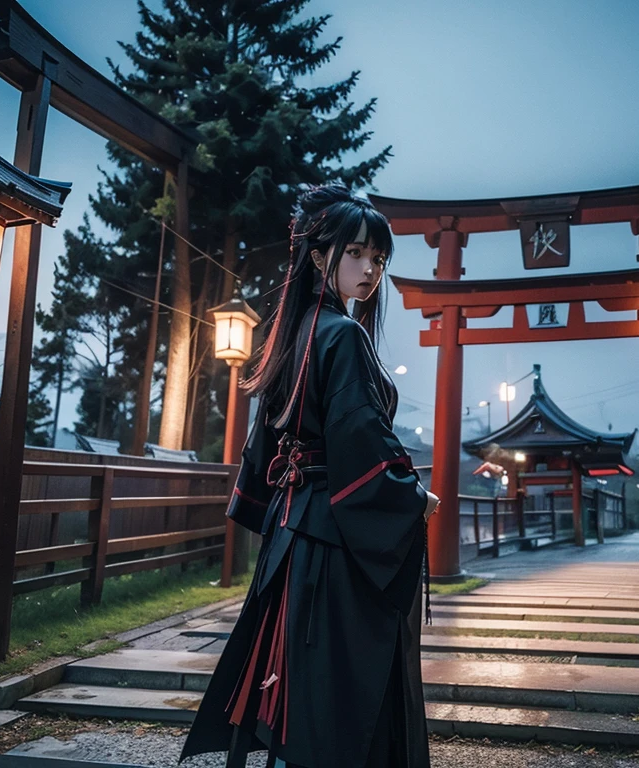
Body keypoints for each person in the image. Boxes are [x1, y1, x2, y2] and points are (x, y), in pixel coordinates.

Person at [180, 182, 440, 768]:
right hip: (335, 535)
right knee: (348, 686)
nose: (370, 269)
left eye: (378, 259)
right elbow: (359, 433)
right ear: (320, 257)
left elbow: (268, 439)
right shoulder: (342, 333)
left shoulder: (293, 332)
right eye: (356, 254)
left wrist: (265, 507)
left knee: (301, 678)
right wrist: (409, 496)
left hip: (292, 535)